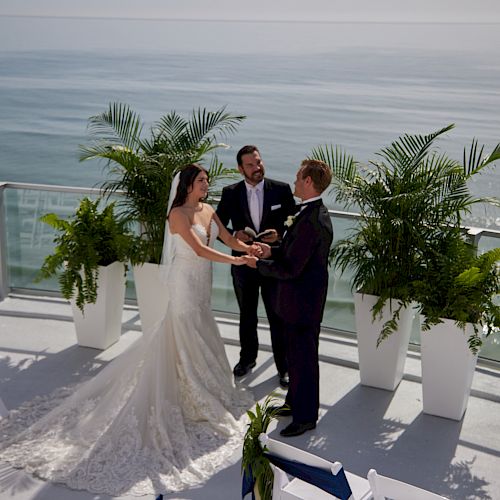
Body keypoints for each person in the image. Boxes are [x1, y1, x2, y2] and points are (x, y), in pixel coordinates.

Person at [0, 164, 256, 497]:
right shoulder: (177, 215)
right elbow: (198, 249)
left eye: (207, 180)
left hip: (201, 286)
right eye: (202, 181)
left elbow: (227, 238)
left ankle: (202, 388)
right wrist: (237, 262)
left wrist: (248, 248)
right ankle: (189, 391)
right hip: (183, 286)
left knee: (202, 330)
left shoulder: (208, 209)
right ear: (188, 185)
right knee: (183, 333)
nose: (207, 185)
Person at [247, 159, 333, 437]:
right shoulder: (307, 212)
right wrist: (272, 249)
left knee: (304, 359)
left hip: (303, 303)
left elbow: (293, 268)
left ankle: (306, 417)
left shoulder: (313, 219)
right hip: (296, 301)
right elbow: (295, 252)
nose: (294, 182)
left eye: (298, 178)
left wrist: (258, 265)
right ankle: (293, 402)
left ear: (308, 182)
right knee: (296, 356)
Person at [216, 145, 296, 387]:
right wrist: (234, 235)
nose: (256, 167)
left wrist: (280, 234)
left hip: (273, 265)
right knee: (247, 315)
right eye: (250, 165)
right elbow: (218, 229)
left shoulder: (281, 190)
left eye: (258, 162)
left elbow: (294, 225)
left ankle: (284, 368)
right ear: (240, 169)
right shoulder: (230, 193)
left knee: (277, 317)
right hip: (243, 265)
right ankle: (247, 359)